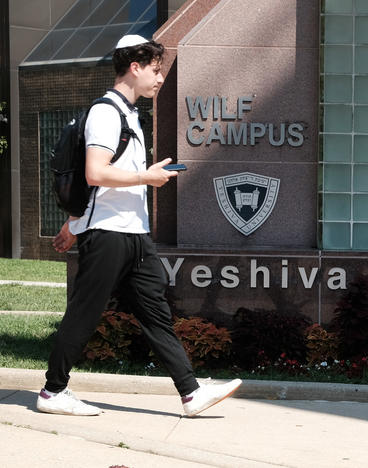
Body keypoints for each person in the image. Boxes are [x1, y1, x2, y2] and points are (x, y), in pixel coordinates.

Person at [37, 34, 241, 417]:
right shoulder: (106, 112)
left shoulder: (131, 114)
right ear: (135, 67)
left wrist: (71, 222)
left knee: (156, 314)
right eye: (156, 69)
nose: (160, 78)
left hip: (133, 234)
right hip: (110, 234)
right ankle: (52, 392)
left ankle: (190, 393)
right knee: (84, 312)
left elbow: (102, 181)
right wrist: (146, 178)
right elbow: (96, 173)